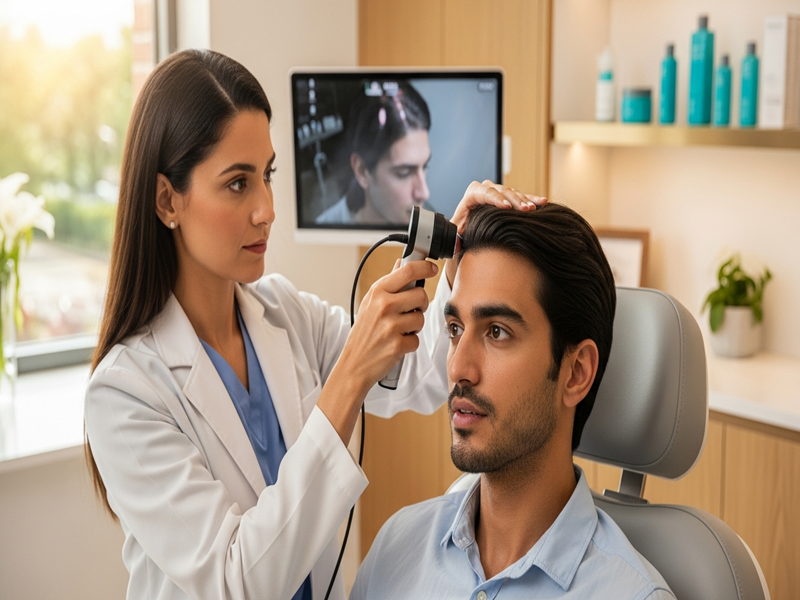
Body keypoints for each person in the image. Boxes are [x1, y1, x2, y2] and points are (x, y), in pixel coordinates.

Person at [83, 49, 543, 600]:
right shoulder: (125, 392)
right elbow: (237, 581)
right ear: (167, 200)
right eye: (237, 183)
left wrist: (455, 255)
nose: (266, 209)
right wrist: (348, 375)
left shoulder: (285, 314)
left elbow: (421, 376)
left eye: (267, 175)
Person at [350, 204, 676, 599]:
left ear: (576, 373)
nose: (457, 368)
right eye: (455, 328)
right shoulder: (395, 550)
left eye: (497, 332)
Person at [315, 80, 432, 225]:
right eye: (404, 173)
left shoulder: (427, 230)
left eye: (425, 167)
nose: (424, 193)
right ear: (362, 171)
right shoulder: (324, 232)